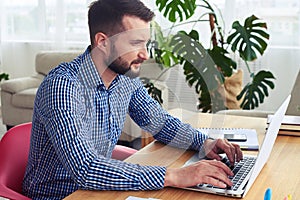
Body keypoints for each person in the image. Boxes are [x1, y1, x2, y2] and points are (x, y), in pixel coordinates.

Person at [22, 0, 243, 199]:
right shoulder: (62, 87)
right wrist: (176, 176)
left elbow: (159, 122)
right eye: (135, 43)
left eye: (145, 43)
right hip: (58, 195)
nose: (145, 54)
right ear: (103, 41)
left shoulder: (124, 78)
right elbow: (86, 169)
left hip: (99, 190)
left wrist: (204, 142)